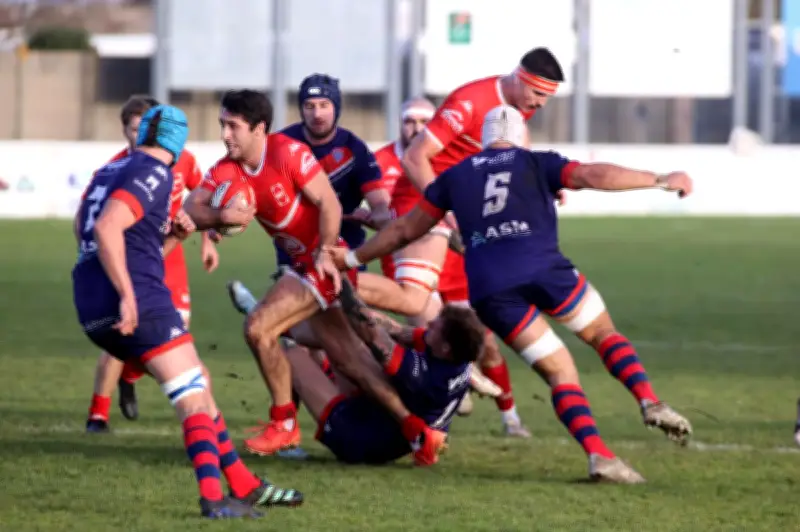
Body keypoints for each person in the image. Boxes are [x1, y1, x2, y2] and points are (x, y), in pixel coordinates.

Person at [328, 105, 698, 482]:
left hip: (491, 289)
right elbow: (590, 175)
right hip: (543, 267)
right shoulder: (536, 162)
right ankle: (649, 400)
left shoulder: (454, 176)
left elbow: (404, 230)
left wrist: (352, 257)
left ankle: (599, 456)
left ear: (481, 139)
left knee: (560, 373)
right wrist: (660, 179)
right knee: (603, 334)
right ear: (521, 136)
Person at [183, 90, 448, 465]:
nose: (225, 134)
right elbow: (193, 207)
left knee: (259, 328)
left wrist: (324, 252)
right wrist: (221, 218)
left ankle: (284, 422)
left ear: (259, 129)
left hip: (321, 263)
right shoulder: (229, 168)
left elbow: (330, 203)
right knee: (348, 357)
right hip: (302, 267)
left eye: (233, 126)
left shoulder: (288, 152)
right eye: (223, 124)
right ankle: (417, 430)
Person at [71, 105, 300, 518]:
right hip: (136, 298)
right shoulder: (155, 172)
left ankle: (245, 484)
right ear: (176, 142)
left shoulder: (109, 171)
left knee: (201, 380)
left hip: (88, 303)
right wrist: (126, 292)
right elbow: (108, 228)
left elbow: (85, 231)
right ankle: (214, 498)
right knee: (193, 396)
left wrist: (175, 237)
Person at [83, 95, 219, 433]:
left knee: (171, 336)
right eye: (131, 129)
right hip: (133, 262)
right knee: (129, 331)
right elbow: (99, 224)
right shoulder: (119, 167)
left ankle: (131, 376)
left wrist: (205, 240)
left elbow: (200, 198)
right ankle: (98, 413)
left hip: (169, 255)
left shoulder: (182, 160)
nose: (135, 136)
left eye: (140, 128)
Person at [288, 279, 483, 465]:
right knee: (338, 330)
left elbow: (376, 339)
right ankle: (285, 326)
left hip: (359, 437)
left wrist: (340, 282)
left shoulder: (428, 377)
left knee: (289, 353)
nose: (429, 324)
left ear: (446, 347)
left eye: (435, 328)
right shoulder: (453, 357)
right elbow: (396, 330)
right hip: (380, 425)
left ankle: (284, 431)